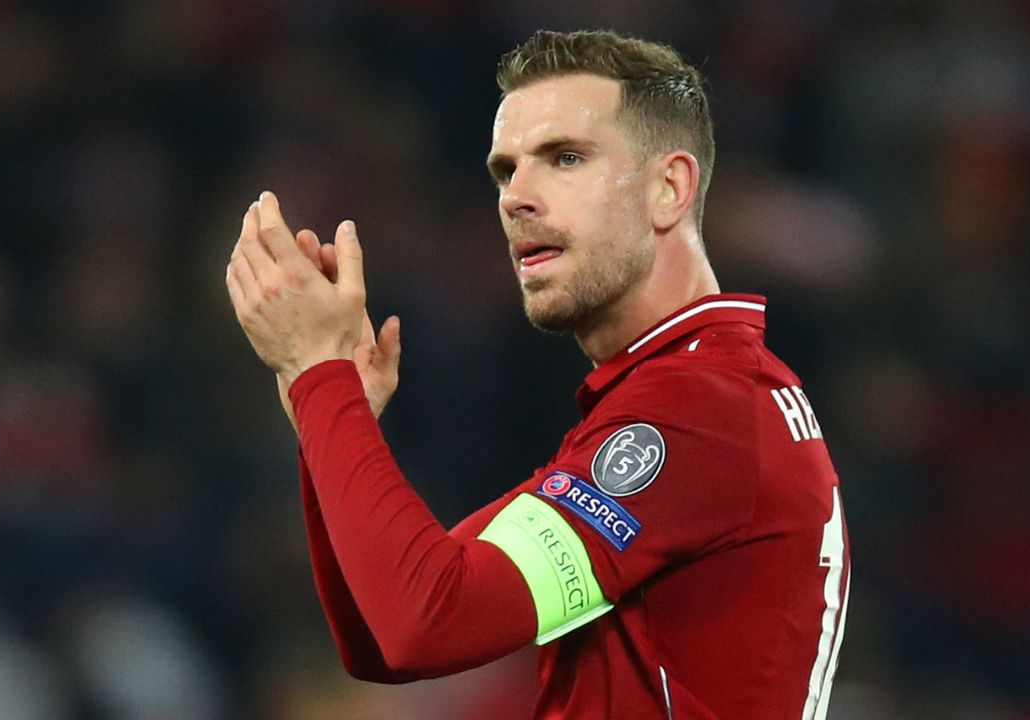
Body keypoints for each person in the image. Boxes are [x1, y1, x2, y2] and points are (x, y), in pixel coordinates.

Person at [225, 29, 850, 719]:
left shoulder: (699, 409)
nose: (516, 197)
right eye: (505, 170)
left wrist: (319, 375)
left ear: (669, 188)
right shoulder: (683, 393)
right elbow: (383, 633)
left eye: (565, 158)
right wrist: (330, 407)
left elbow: (424, 624)